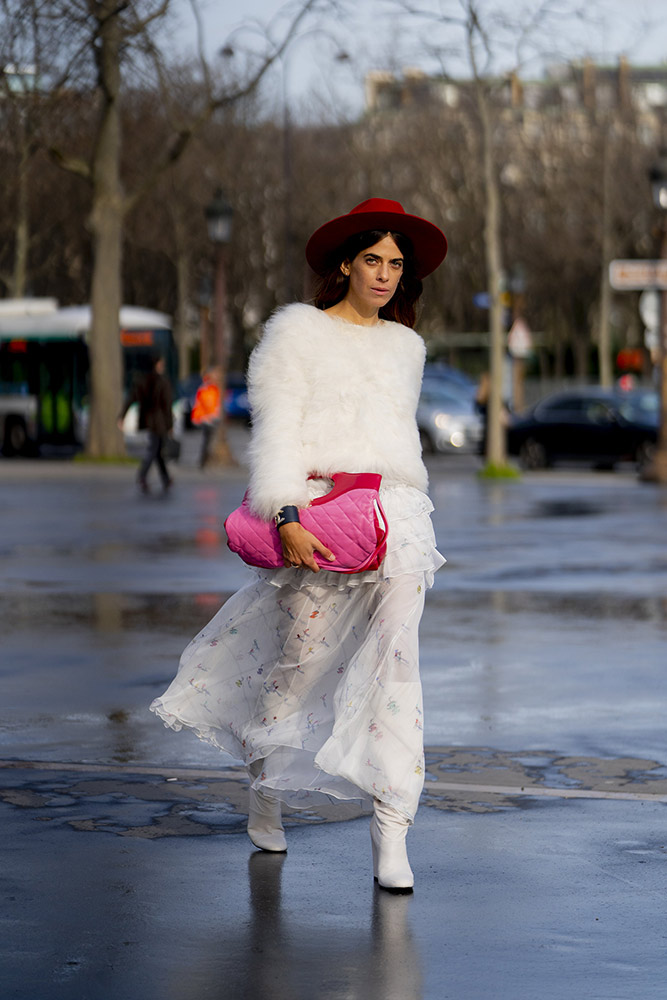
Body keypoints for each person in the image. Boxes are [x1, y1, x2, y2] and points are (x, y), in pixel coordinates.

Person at [150, 198, 448, 892]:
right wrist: (284, 513)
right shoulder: (296, 334)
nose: (383, 274)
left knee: (395, 669)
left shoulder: (406, 347)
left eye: (395, 264)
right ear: (344, 263)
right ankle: (265, 783)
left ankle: (391, 826)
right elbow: (277, 431)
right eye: (372, 260)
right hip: (316, 514)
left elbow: (395, 440)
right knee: (300, 664)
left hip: (398, 517)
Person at [118, 354, 173, 493]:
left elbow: (131, 398)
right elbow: (167, 405)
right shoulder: (163, 381)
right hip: (160, 421)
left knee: (157, 450)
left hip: (148, 420)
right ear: (157, 364)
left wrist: (122, 415)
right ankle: (143, 475)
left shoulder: (142, 381)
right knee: (155, 449)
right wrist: (170, 424)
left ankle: (165, 478)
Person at [190, 366, 222, 468]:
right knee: (207, 441)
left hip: (212, 418)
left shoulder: (213, 388)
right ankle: (203, 461)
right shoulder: (206, 389)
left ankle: (205, 461)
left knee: (209, 440)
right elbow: (202, 404)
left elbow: (215, 404)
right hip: (206, 418)